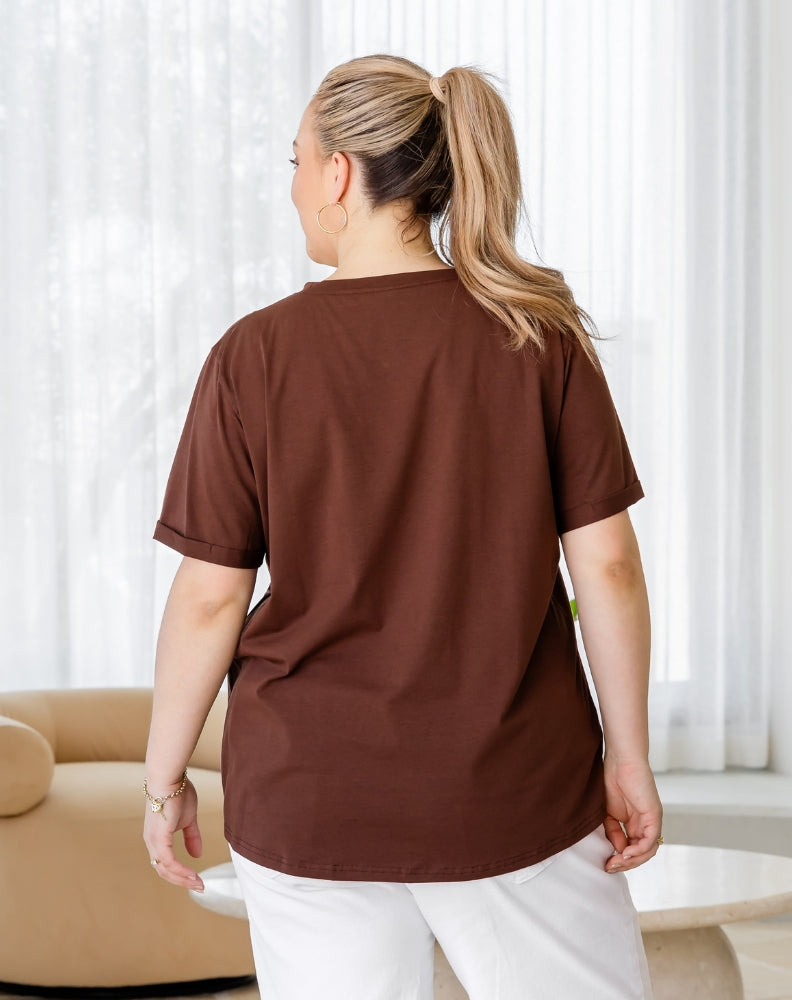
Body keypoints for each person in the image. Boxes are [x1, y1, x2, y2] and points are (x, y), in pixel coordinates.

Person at [143, 53, 662, 1000]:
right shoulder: (538, 334)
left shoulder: (253, 355)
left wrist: (164, 778)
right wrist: (628, 757)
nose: (294, 186)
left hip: (310, 793)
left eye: (296, 161)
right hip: (513, 787)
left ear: (338, 173)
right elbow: (611, 569)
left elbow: (211, 596)